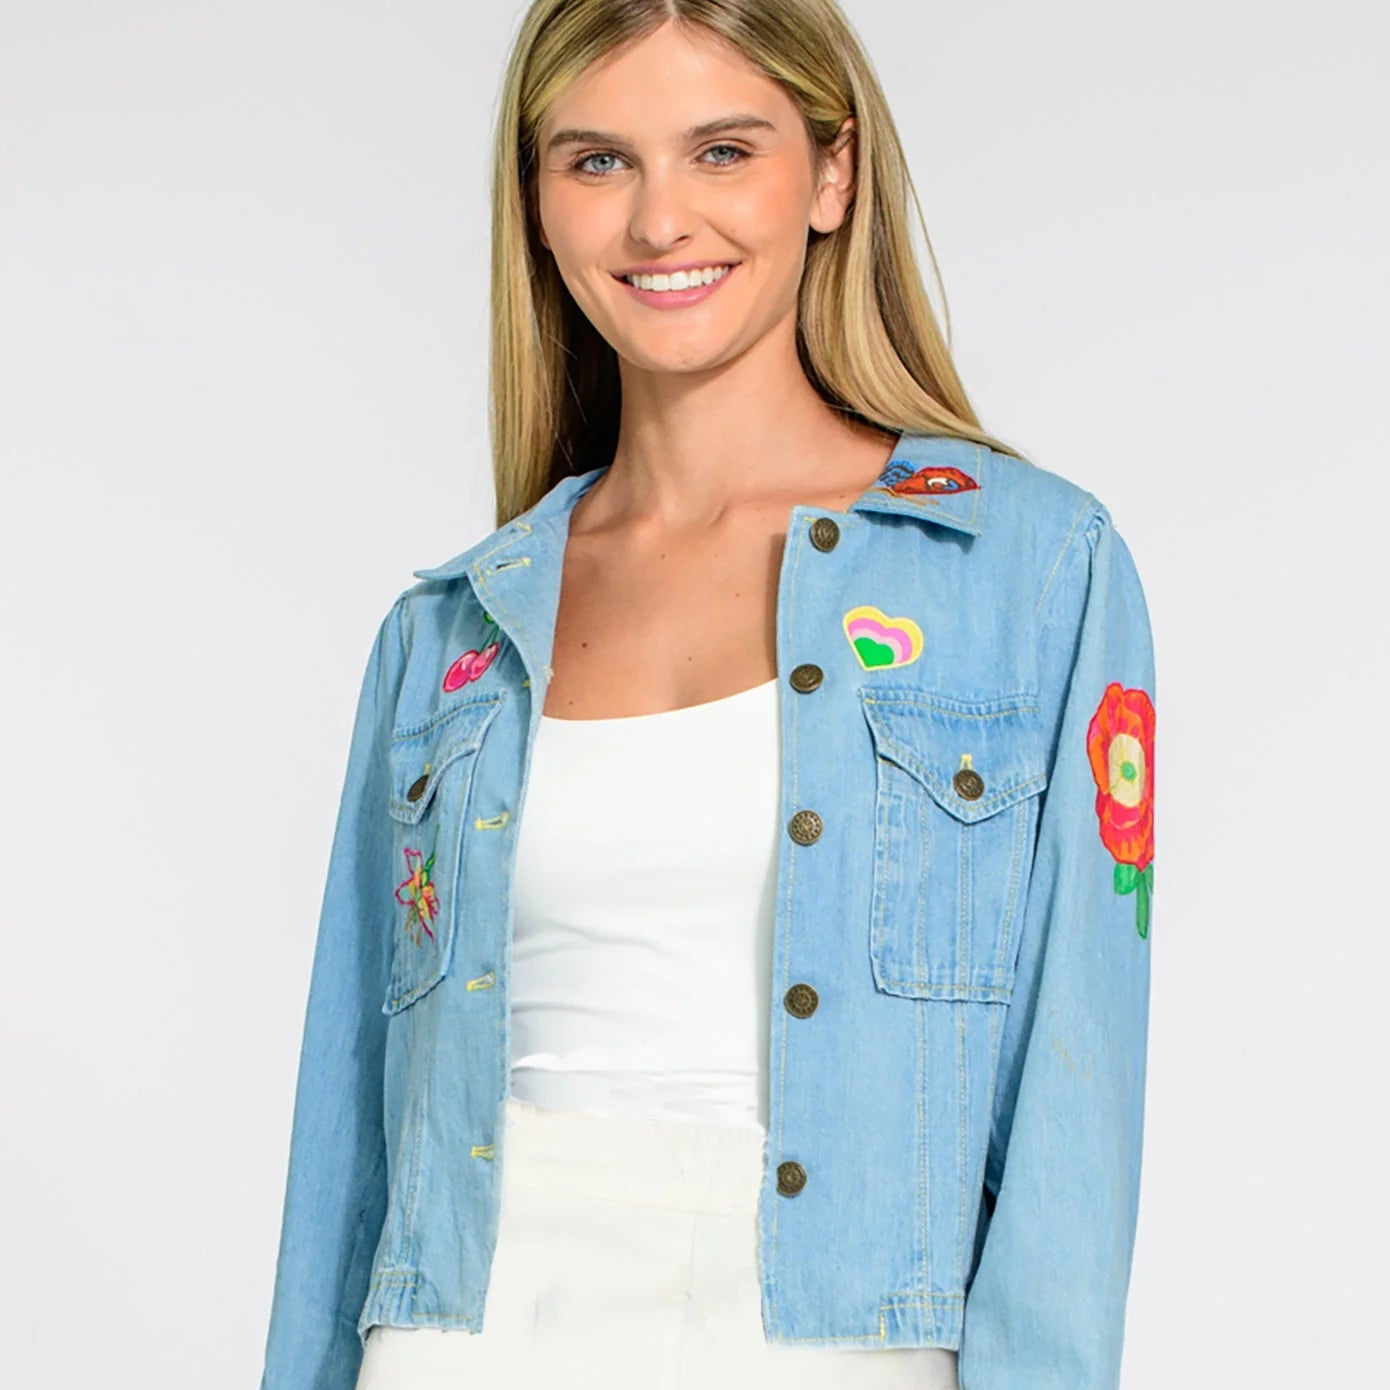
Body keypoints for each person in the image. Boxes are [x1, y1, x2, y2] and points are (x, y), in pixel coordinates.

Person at [258, 2, 1156, 1388]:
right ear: (537, 201)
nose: (659, 219)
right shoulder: (448, 633)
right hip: (462, 1342)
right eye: (598, 160)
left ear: (832, 173)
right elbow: (344, 1148)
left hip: (831, 1344)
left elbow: (1072, 1118)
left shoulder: (1031, 571)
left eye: (722, 151)